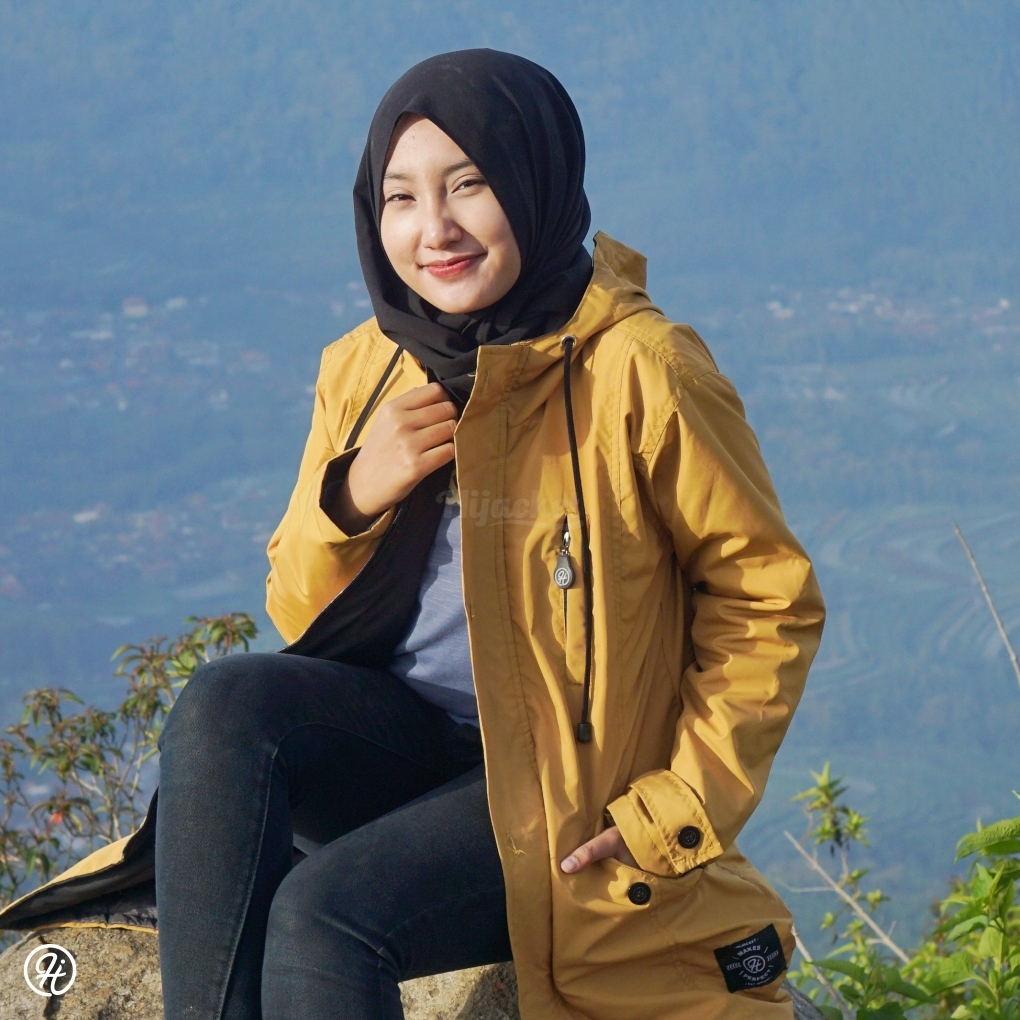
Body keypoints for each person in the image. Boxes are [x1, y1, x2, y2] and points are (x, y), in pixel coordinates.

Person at [152, 48, 826, 1020]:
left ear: (534, 181)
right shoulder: (367, 366)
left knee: (323, 916)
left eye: (468, 185)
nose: (434, 229)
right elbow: (302, 616)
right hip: (406, 741)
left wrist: (677, 810)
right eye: (402, 196)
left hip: (559, 786)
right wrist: (352, 497)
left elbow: (767, 602)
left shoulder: (641, 369)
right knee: (223, 703)